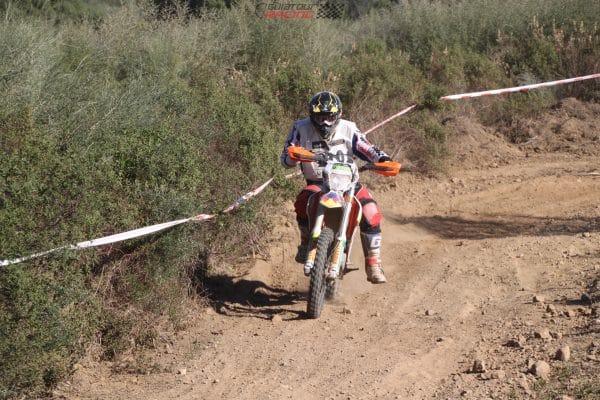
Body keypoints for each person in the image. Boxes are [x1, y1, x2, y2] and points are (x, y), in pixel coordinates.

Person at [280, 91, 392, 284]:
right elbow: (286, 159)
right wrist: (295, 154)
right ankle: (306, 242)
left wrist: (382, 159)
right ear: (311, 115)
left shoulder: (349, 128)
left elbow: (366, 148)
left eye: (329, 117)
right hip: (318, 184)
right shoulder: (300, 128)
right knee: (301, 203)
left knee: (371, 211)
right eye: (319, 117)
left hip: (349, 185)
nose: (324, 122)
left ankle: (373, 263)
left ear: (338, 115)